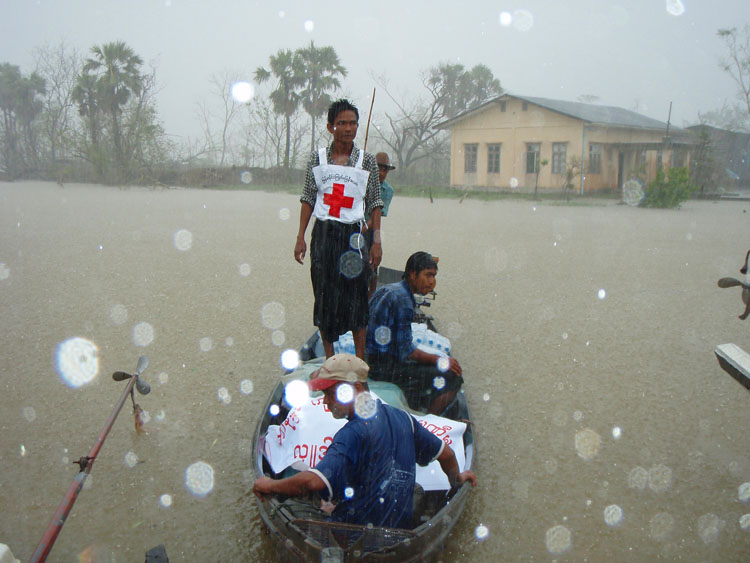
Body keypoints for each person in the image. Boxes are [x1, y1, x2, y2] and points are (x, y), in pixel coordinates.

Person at [252, 354, 477, 530]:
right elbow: (446, 455)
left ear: (356, 388)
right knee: (410, 488)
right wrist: (457, 480)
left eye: (330, 393)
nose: (325, 402)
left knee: (289, 505)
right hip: (398, 527)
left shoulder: (351, 434)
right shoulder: (404, 419)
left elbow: (311, 483)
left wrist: (270, 485)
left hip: (357, 534)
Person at [294, 99, 383, 360]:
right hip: (323, 235)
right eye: (342, 123)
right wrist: (300, 236)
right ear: (330, 126)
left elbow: (375, 202)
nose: (348, 128)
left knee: (356, 295)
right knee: (324, 295)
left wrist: (376, 241)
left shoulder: (367, 161)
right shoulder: (318, 158)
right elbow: (308, 198)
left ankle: (359, 361)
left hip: (354, 237)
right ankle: (331, 360)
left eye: (353, 123)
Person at [366, 251, 463, 415]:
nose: (432, 282)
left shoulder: (390, 289)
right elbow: (406, 351)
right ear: (412, 274)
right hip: (385, 368)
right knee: (453, 378)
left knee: (430, 367)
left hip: (373, 360)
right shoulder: (403, 300)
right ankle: (429, 422)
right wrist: (441, 360)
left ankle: (419, 403)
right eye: (428, 275)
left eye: (434, 276)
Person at [366, 152, 396, 297]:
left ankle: (371, 298)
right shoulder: (361, 182)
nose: (382, 172)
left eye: (385, 170)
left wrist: (365, 227)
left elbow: (378, 214)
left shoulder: (388, 191)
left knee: (372, 266)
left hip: (370, 229)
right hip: (351, 227)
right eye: (379, 168)